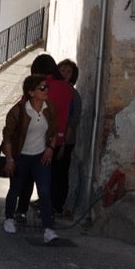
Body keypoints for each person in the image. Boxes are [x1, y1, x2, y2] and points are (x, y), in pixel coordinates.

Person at [1, 75, 59, 243]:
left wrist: (50, 148)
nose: (46, 90)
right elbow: (8, 136)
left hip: (40, 156)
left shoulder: (50, 108)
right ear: (31, 92)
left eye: (47, 87)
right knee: (16, 189)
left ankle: (48, 229)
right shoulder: (19, 111)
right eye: (42, 88)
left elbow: (54, 130)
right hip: (21, 156)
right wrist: (10, 159)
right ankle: (9, 218)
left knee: (44, 191)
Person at [52, 58, 82, 217]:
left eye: (68, 72)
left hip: (65, 141)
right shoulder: (53, 89)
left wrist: (63, 144)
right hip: (51, 139)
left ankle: (57, 205)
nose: (64, 73)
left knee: (60, 173)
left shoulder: (74, 96)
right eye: (62, 70)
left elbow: (72, 123)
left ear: (73, 76)